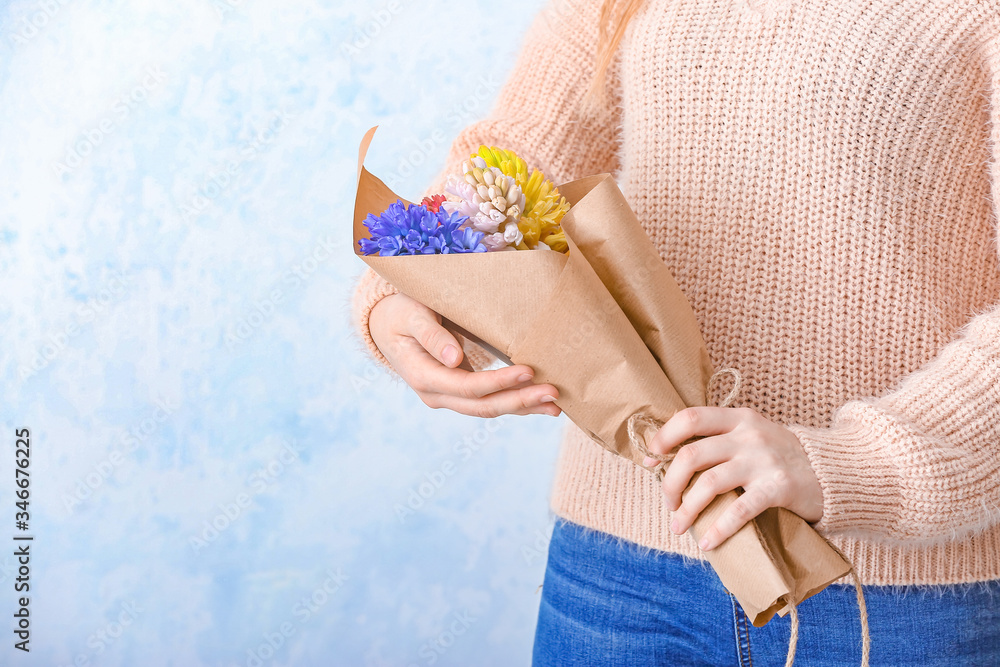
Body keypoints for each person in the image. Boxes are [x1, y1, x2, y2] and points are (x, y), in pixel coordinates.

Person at [351, 0, 1000, 663]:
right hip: (618, 575)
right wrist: (404, 292)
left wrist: (855, 463)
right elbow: (517, 159)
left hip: (897, 595)